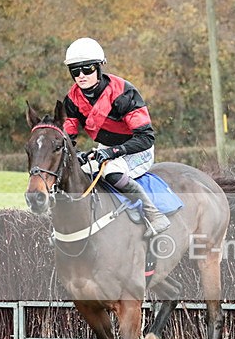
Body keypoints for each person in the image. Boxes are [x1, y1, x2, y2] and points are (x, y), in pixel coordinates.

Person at [62, 37, 169, 237]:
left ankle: (154, 215)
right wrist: (76, 154)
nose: (81, 76)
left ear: (99, 68)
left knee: (111, 172)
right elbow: (68, 136)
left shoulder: (123, 93)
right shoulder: (72, 100)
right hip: (107, 148)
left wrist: (113, 152)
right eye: (75, 71)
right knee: (75, 174)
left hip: (137, 149)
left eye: (87, 69)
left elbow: (146, 138)